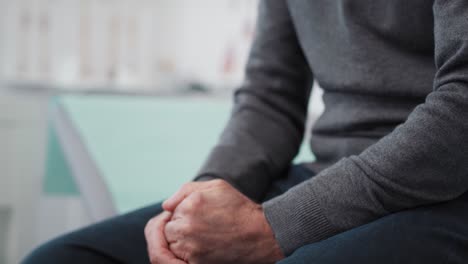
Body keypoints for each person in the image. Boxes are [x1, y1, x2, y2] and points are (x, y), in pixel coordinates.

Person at [23, 0, 468, 263]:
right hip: (327, 177)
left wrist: (275, 227)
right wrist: (194, 209)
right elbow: (269, 98)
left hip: (447, 195)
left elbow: (460, 109)